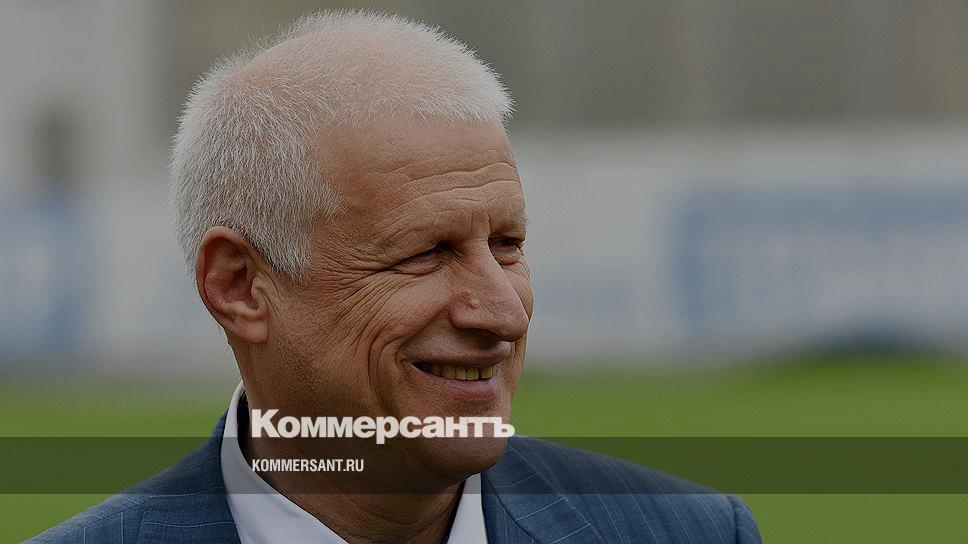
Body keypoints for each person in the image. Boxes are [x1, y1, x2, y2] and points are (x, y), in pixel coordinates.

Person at [29, 11, 761, 544]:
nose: (503, 313)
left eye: (507, 245)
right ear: (241, 287)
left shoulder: (691, 532)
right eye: (427, 253)